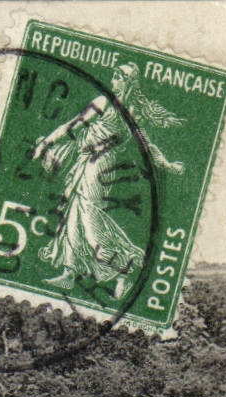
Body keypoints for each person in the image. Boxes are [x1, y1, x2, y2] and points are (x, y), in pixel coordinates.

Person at [30, 61, 185, 300]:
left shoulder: (123, 109)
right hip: (88, 161)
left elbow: (146, 145)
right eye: (114, 73)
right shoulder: (105, 102)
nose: (114, 77)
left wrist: (166, 164)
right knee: (74, 214)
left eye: (119, 75)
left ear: (129, 82)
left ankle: (125, 268)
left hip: (99, 165)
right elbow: (72, 127)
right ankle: (70, 272)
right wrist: (47, 143)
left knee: (91, 223)